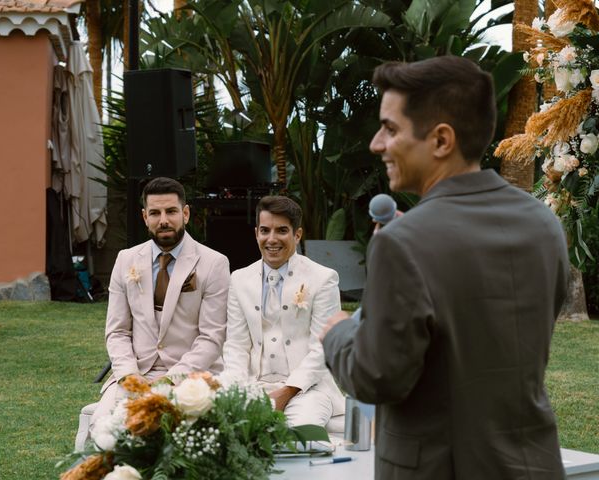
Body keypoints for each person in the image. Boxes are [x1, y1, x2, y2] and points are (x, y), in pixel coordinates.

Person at [320, 56, 570, 479]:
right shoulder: (543, 223)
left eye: (391, 128)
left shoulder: (403, 244)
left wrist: (339, 333)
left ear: (441, 140)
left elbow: (377, 376)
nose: (376, 144)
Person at [91, 177, 230, 426]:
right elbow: (117, 332)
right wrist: (130, 376)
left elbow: (212, 338)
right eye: (155, 213)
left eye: (171, 211)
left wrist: (169, 380)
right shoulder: (126, 260)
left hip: (192, 376)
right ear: (145, 217)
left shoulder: (214, 263)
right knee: (103, 427)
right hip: (136, 375)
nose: (163, 220)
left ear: (185, 214)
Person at [222, 195, 344, 427]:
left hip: (308, 388)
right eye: (265, 230)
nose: (272, 239)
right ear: (256, 233)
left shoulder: (322, 278)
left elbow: (323, 349)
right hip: (254, 384)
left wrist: (287, 391)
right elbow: (236, 345)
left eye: (281, 231)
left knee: (298, 436)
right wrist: (235, 390)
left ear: (297, 235)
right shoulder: (239, 279)